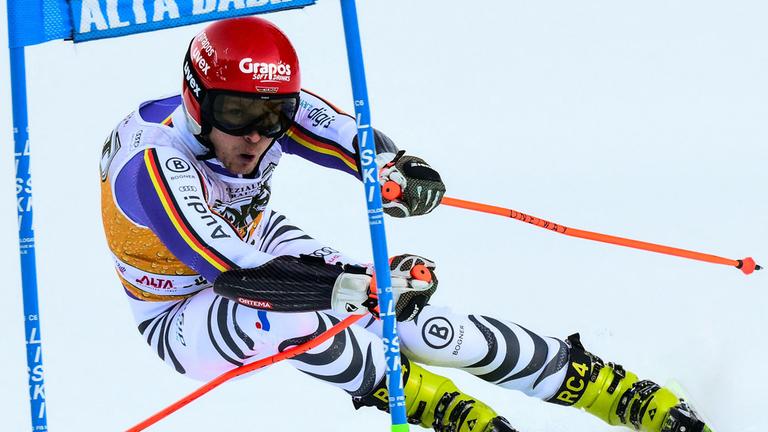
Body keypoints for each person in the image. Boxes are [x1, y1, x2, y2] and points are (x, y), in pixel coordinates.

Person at [99, 16, 711, 432]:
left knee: (419, 321)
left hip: (254, 238)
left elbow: (350, 138)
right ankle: (439, 408)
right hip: (182, 308)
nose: (257, 135)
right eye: (237, 113)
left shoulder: (258, 115)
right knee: (296, 314)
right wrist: (355, 286)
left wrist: (394, 169)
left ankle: (613, 391)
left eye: (274, 114)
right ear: (197, 99)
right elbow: (237, 274)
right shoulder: (154, 163)